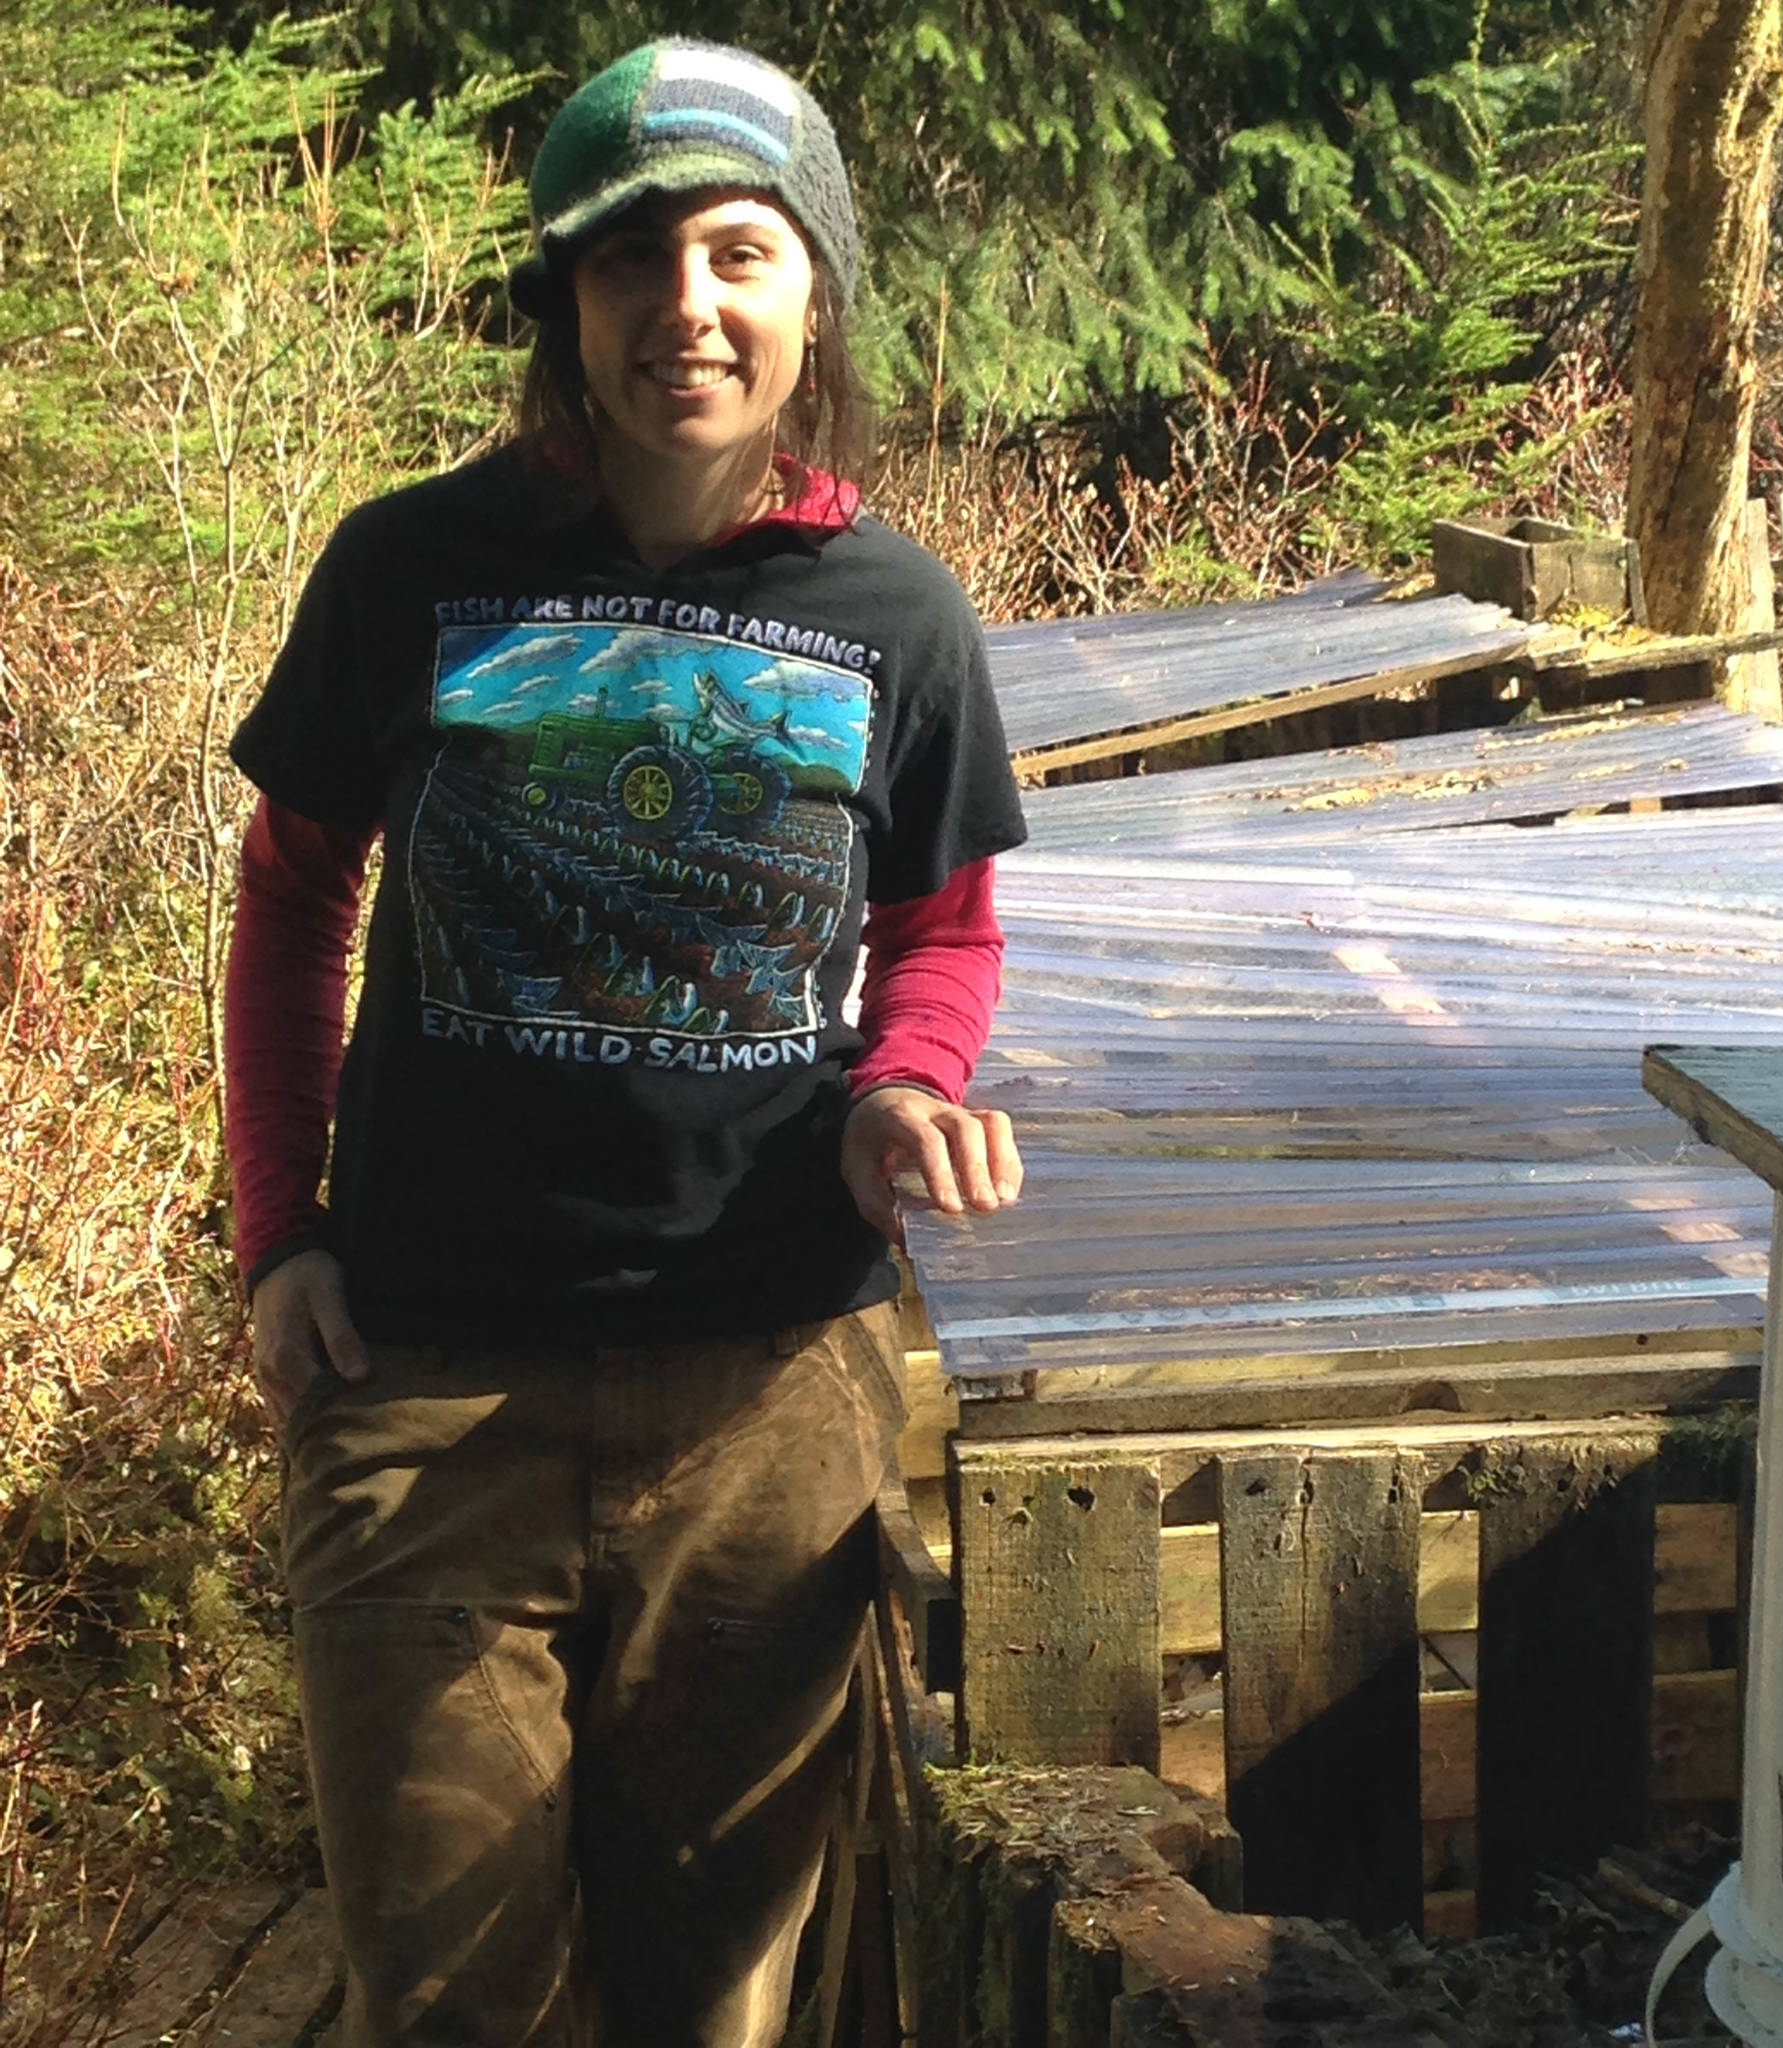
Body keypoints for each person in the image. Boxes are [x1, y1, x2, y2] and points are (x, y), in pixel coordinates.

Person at [224, 38, 1026, 2046]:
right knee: (452, 1992)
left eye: (741, 252)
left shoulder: (895, 615)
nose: (687, 305)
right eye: (632, 259)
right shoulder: (412, 568)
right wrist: (278, 1234)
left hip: (768, 1393)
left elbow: (941, 929)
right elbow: (292, 894)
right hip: (427, 1398)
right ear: (562, 305)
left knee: (720, 1998)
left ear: (812, 292)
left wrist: (906, 1087)